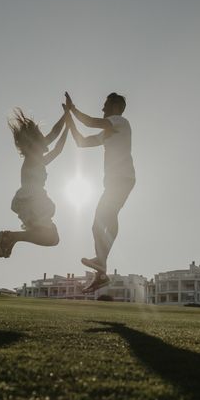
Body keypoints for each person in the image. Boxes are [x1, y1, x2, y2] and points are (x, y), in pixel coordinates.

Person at [63, 91, 135, 293]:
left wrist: (73, 109)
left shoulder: (121, 122)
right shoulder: (108, 132)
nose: (102, 108)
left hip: (122, 179)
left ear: (115, 107)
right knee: (97, 226)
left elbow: (91, 122)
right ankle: (101, 272)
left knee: (104, 218)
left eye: (105, 105)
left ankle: (102, 264)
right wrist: (69, 120)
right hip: (115, 182)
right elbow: (82, 142)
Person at [0, 108, 69, 258]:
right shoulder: (33, 157)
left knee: (52, 238)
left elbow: (58, 150)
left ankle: (10, 238)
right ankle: (10, 237)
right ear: (33, 143)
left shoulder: (38, 160)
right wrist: (66, 117)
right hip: (33, 199)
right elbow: (54, 134)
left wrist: (68, 126)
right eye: (41, 138)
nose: (44, 141)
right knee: (51, 237)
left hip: (32, 200)